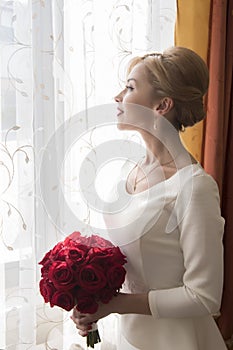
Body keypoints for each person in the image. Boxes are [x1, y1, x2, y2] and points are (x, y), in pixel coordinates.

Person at [71, 47, 227, 350]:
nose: (118, 96)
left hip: (175, 341)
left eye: (129, 87)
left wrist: (116, 304)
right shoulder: (131, 173)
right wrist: (93, 297)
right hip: (128, 336)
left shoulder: (194, 188)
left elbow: (204, 296)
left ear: (162, 105)